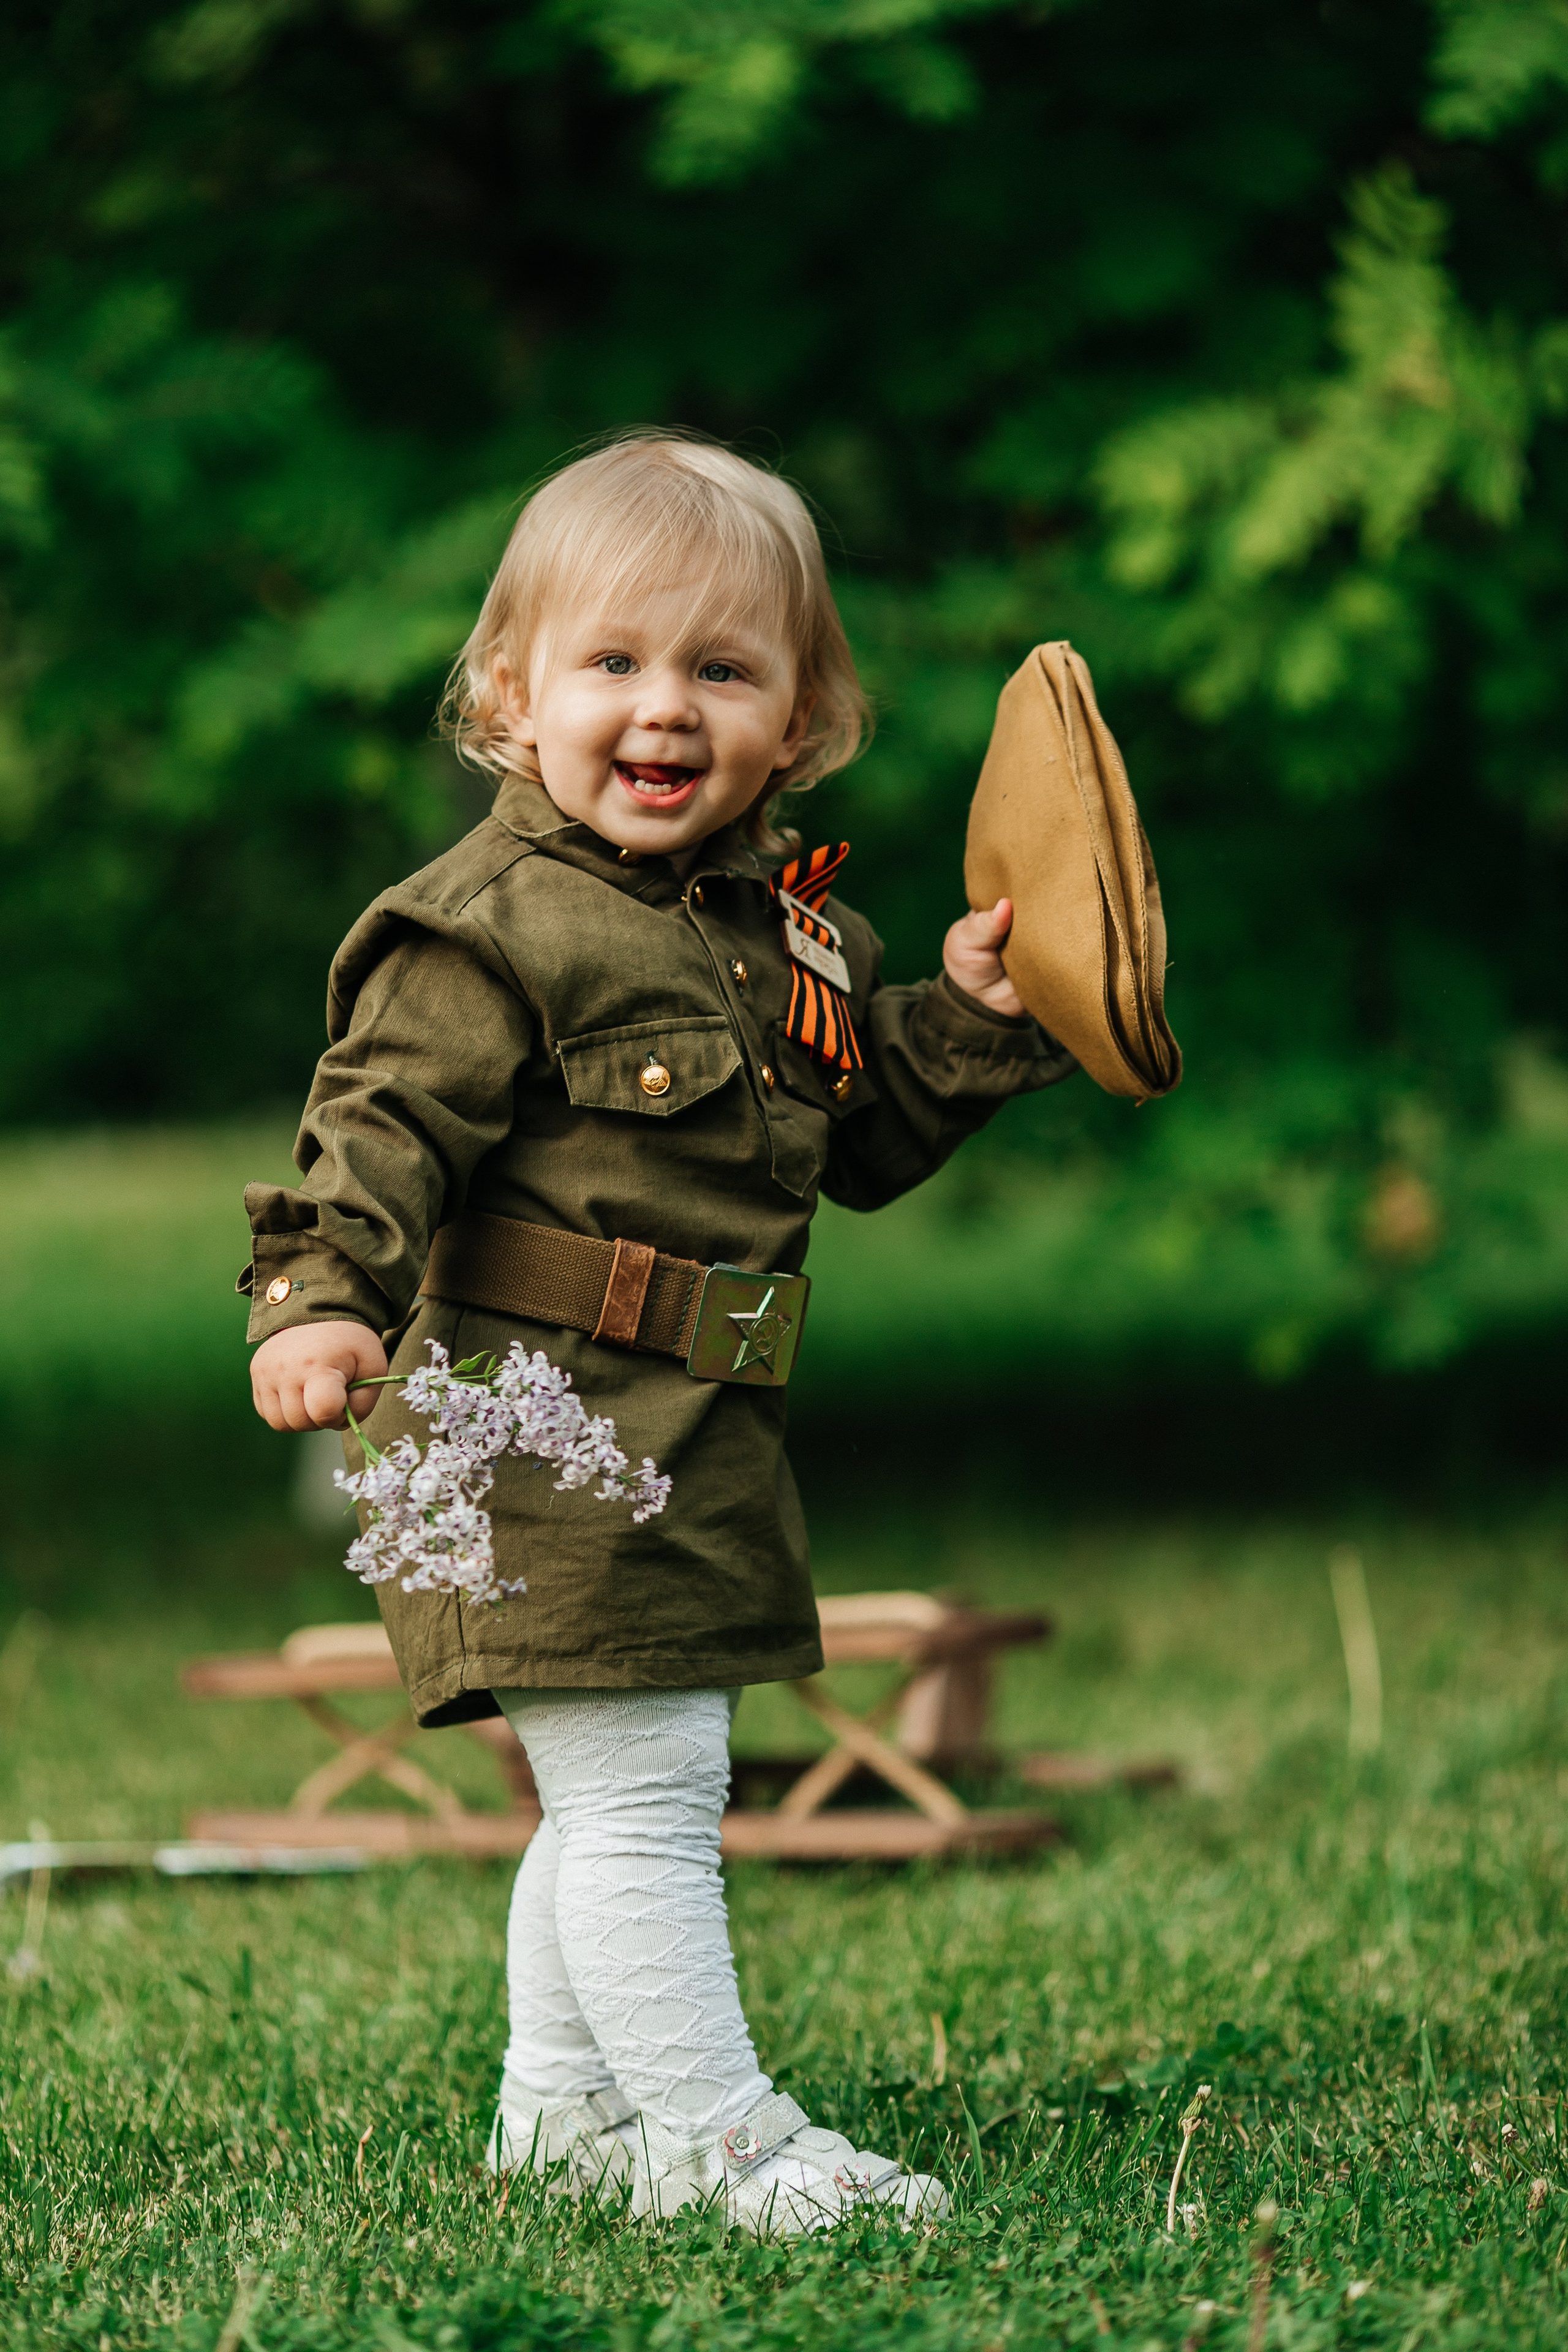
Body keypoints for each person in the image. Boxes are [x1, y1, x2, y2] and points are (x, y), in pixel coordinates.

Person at [241, 434, 1076, 2233]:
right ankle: (723, 2143)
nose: (662, 709)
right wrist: (318, 1304)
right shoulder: (485, 930)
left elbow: (861, 1147)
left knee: (621, 1772)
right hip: (516, 1428)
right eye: (611, 663)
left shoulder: (802, 941)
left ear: (803, 716)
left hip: (694, 1430)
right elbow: (373, 1133)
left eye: (721, 668)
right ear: (508, 693)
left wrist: (975, 1012)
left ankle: (564, 2119)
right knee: (645, 1788)